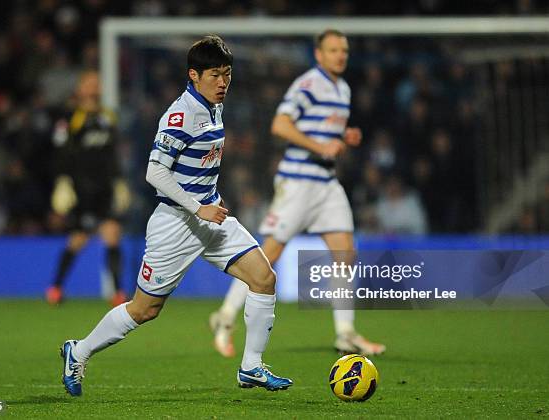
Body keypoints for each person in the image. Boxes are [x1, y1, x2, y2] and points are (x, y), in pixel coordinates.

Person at [60, 36, 293, 396]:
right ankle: (79, 351)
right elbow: (155, 172)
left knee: (263, 278)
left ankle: (251, 367)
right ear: (194, 75)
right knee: (144, 310)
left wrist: (205, 204)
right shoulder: (180, 115)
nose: (223, 83)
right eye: (215, 75)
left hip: (211, 217)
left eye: (227, 74)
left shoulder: (214, 105)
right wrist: (197, 206)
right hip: (176, 223)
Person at [209, 29, 386, 357]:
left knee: (345, 252)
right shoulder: (308, 84)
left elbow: (323, 132)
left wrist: (343, 137)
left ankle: (345, 333)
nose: (340, 55)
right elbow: (281, 125)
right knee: (268, 255)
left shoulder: (342, 88)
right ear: (319, 55)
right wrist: (320, 145)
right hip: (298, 182)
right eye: (333, 50)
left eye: (344, 49)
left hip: (327, 184)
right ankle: (225, 317)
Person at [45, 70, 130, 307]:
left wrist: (119, 182)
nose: (94, 88)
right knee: (78, 239)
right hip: (82, 189)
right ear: (80, 89)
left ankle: (117, 293)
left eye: (97, 84)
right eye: (89, 84)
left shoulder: (108, 116)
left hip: (104, 188)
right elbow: (61, 152)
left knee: (112, 234)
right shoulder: (70, 117)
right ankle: (55, 288)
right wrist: (62, 181)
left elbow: (113, 154)